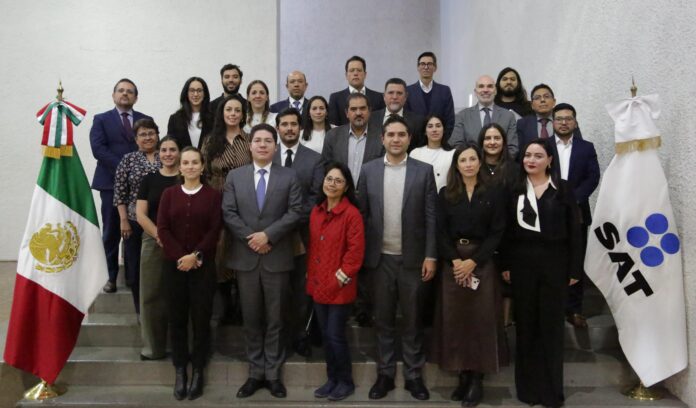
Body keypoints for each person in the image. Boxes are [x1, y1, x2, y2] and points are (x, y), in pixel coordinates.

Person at [358, 116, 437, 401]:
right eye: (390, 134)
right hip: (379, 260)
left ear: (409, 138)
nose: (395, 139)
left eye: (401, 134)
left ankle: (414, 376)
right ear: (382, 138)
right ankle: (385, 375)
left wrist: (431, 255)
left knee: (413, 320)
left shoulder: (424, 171)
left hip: (413, 259)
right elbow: (361, 215)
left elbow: (431, 216)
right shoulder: (368, 170)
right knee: (383, 320)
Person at [222, 124, 303, 399]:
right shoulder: (235, 176)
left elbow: (295, 211)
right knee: (251, 318)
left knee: (276, 319)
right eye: (258, 140)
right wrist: (252, 238)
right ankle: (255, 373)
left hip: (276, 257)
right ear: (250, 145)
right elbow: (229, 212)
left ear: (275, 146)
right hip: (246, 257)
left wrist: (268, 235)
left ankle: (273, 375)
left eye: (268, 141)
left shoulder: (289, 176)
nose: (263, 145)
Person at [500, 139, 582, 408]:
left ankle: (551, 392)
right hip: (522, 267)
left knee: (551, 329)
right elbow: (506, 232)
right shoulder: (514, 190)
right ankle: (527, 390)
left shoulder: (563, 189)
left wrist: (574, 268)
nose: (531, 160)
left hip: (555, 267)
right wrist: (506, 265)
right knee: (526, 328)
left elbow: (575, 231)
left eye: (538, 155)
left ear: (549, 160)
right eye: (527, 155)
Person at [430, 143, 508, 406]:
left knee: (480, 321)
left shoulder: (494, 192)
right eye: (463, 160)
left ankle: (476, 378)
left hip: (481, 262)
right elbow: (440, 231)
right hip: (453, 262)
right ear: (456, 165)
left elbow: (498, 231)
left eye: (472, 159)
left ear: (480, 162)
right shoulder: (446, 193)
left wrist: (473, 261)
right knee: (456, 321)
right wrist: (455, 261)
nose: (468, 164)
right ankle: (462, 374)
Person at [157, 147, 222, 400]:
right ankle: (180, 370)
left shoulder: (213, 196)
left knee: (201, 320)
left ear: (203, 166)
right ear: (180, 167)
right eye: (186, 163)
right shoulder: (169, 194)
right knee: (177, 320)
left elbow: (215, 229)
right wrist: (180, 257)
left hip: (202, 269)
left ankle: (198, 370)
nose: (191, 166)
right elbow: (163, 228)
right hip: (174, 268)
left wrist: (195, 256)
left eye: (195, 162)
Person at [306, 162, 365, 401]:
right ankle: (331, 379)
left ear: (346, 186)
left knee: (335, 335)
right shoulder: (316, 211)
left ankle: (345, 381)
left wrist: (336, 282)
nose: (332, 184)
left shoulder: (352, 214)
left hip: (339, 288)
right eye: (329, 179)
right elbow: (314, 249)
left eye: (338, 181)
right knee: (325, 336)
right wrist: (313, 280)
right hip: (318, 285)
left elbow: (354, 256)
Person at [90, 78, 152, 294]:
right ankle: (110, 276)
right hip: (110, 184)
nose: (125, 94)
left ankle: (133, 276)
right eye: (121, 90)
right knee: (111, 232)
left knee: (136, 231)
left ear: (136, 97)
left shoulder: (145, 120)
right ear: (114, 95)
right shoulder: (101, 119)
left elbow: (151, 146)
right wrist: (125, 167)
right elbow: (98, 149)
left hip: (140, 187)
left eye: (130, 91)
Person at [272, 108, 324, 357]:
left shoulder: (315, 159)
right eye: (285, 124)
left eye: (294, 124)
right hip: (272, 236)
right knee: (277, 289)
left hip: (303, 234)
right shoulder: (267, 154)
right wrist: (276, 226)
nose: (290, 128)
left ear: (300, 128)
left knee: (301, 288)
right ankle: (278, 337)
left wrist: (290, 220)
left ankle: (300, 335)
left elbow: (316, 196)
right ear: (278, 128)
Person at [202, 93, 252, 324]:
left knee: (241, 249)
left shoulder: (250, 140)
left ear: (243, 115)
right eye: (228, 110)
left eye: (237, 110)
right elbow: (204, 173)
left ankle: (242, 306)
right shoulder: (210, 141)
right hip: (216, 200)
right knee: (220, 251)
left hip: (244, 202)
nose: (233, 114)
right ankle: (225, 306)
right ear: (222, 113)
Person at [550, 103, 600, 328]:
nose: (563, 122)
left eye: (568, 119)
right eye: (559, 119)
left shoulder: (586, 147)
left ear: (575, 122)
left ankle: (574, 309)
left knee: (576, 259)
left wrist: (573, 199)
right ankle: (553, 307)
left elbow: (593, 177)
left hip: (578, 211)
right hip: (548, 209)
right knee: (552, 258)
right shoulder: (543, 145)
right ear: (553, 122)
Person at [135, 136, 180, 361]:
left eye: (172, 149)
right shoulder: (149, 179)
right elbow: (140, 214)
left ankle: (182, 346)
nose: (168, 154)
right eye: (164, 150)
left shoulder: (186, 177)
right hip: (153, 241)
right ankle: (153, 348)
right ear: (158, 153)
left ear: (179, 153)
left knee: (180, 295)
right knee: (151, 294)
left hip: (183, 242)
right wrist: (160, 235)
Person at [113, 118, 161, 314]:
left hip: (161, 221)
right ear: (136, 139)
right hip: (133, 221)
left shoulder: (167, 155)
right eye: (143, 134)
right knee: (134, 268)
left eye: (151, 133)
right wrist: (124, 220)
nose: (147, 137)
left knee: (161, 268)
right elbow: (119, 192)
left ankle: (159, 311)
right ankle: (140, 311)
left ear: (157, 135)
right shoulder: (128, 160)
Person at [478, 123, 516, 328]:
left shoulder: (515, 169)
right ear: (481, 142)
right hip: (480, 235)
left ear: (504, 141)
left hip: (508, 234)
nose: (492, 142)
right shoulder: (474, 166)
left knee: (506, 284)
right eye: (487, 138)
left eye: (496, 138)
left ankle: (504, 326)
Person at [322, 93, 383, 185]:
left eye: (362, 108)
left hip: (369, 192)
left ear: (369, 111)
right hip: (340, 192)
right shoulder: (332, 136)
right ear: (347, 113)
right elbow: (325, 168)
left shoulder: (381, 137)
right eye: (353, 109)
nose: (358, 113)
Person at [449, 75, 518, 157]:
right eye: (481, 86)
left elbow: (512, 148)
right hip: (471, 164)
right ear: (475, 92)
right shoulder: (462, 116)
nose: (485, 90)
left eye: (490, 86)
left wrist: (496, 163)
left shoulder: (508, 116)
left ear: (495, 91)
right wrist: (474, 162)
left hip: (501, 164)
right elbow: (456, 145)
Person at [517, 84, 584, 155]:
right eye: (537, 98)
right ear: (532, 105)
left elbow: (579, 146)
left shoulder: (567, 121)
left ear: (554, 101)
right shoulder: (522, 123)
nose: (542, 100)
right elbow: (520, 152)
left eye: (546, 96)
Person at [405, 51, 456, 140]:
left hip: (439, 142)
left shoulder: (445, 91)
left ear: (435, 68)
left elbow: (450, 120)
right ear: (418, 67)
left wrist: (442, 140)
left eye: (429, 64)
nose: (426, 67)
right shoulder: (408, 91)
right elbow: (406, 119)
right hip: (415, 143)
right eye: (422, 64)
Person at [368, 77, 426, 150]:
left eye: (399, 93)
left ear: (405, 97)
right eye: (391, 93)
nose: (395, 97)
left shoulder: (418, 122)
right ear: (384, 96)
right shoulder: (370, 118)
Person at [327, 55, 385, 126]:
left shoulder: (379, 97)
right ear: (346, 75)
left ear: (365, 74)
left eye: (359, 70)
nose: (355, 73)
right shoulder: (335, 98)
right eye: (352, 70)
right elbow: (334, 126)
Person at [410, 115, 455, 191]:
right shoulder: (415, 153)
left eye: (438, 126)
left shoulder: (452, 153)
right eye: (430, 126)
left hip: (446, 195)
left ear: (444, 130)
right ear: (425, 131)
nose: (434, 130)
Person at [167, 77, 214, 149]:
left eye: (199, 91)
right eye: (192, 90)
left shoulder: (214, 118)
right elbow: (171, 145)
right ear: (186, 93)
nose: (195, 94)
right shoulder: (175, 119)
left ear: (204, 94)